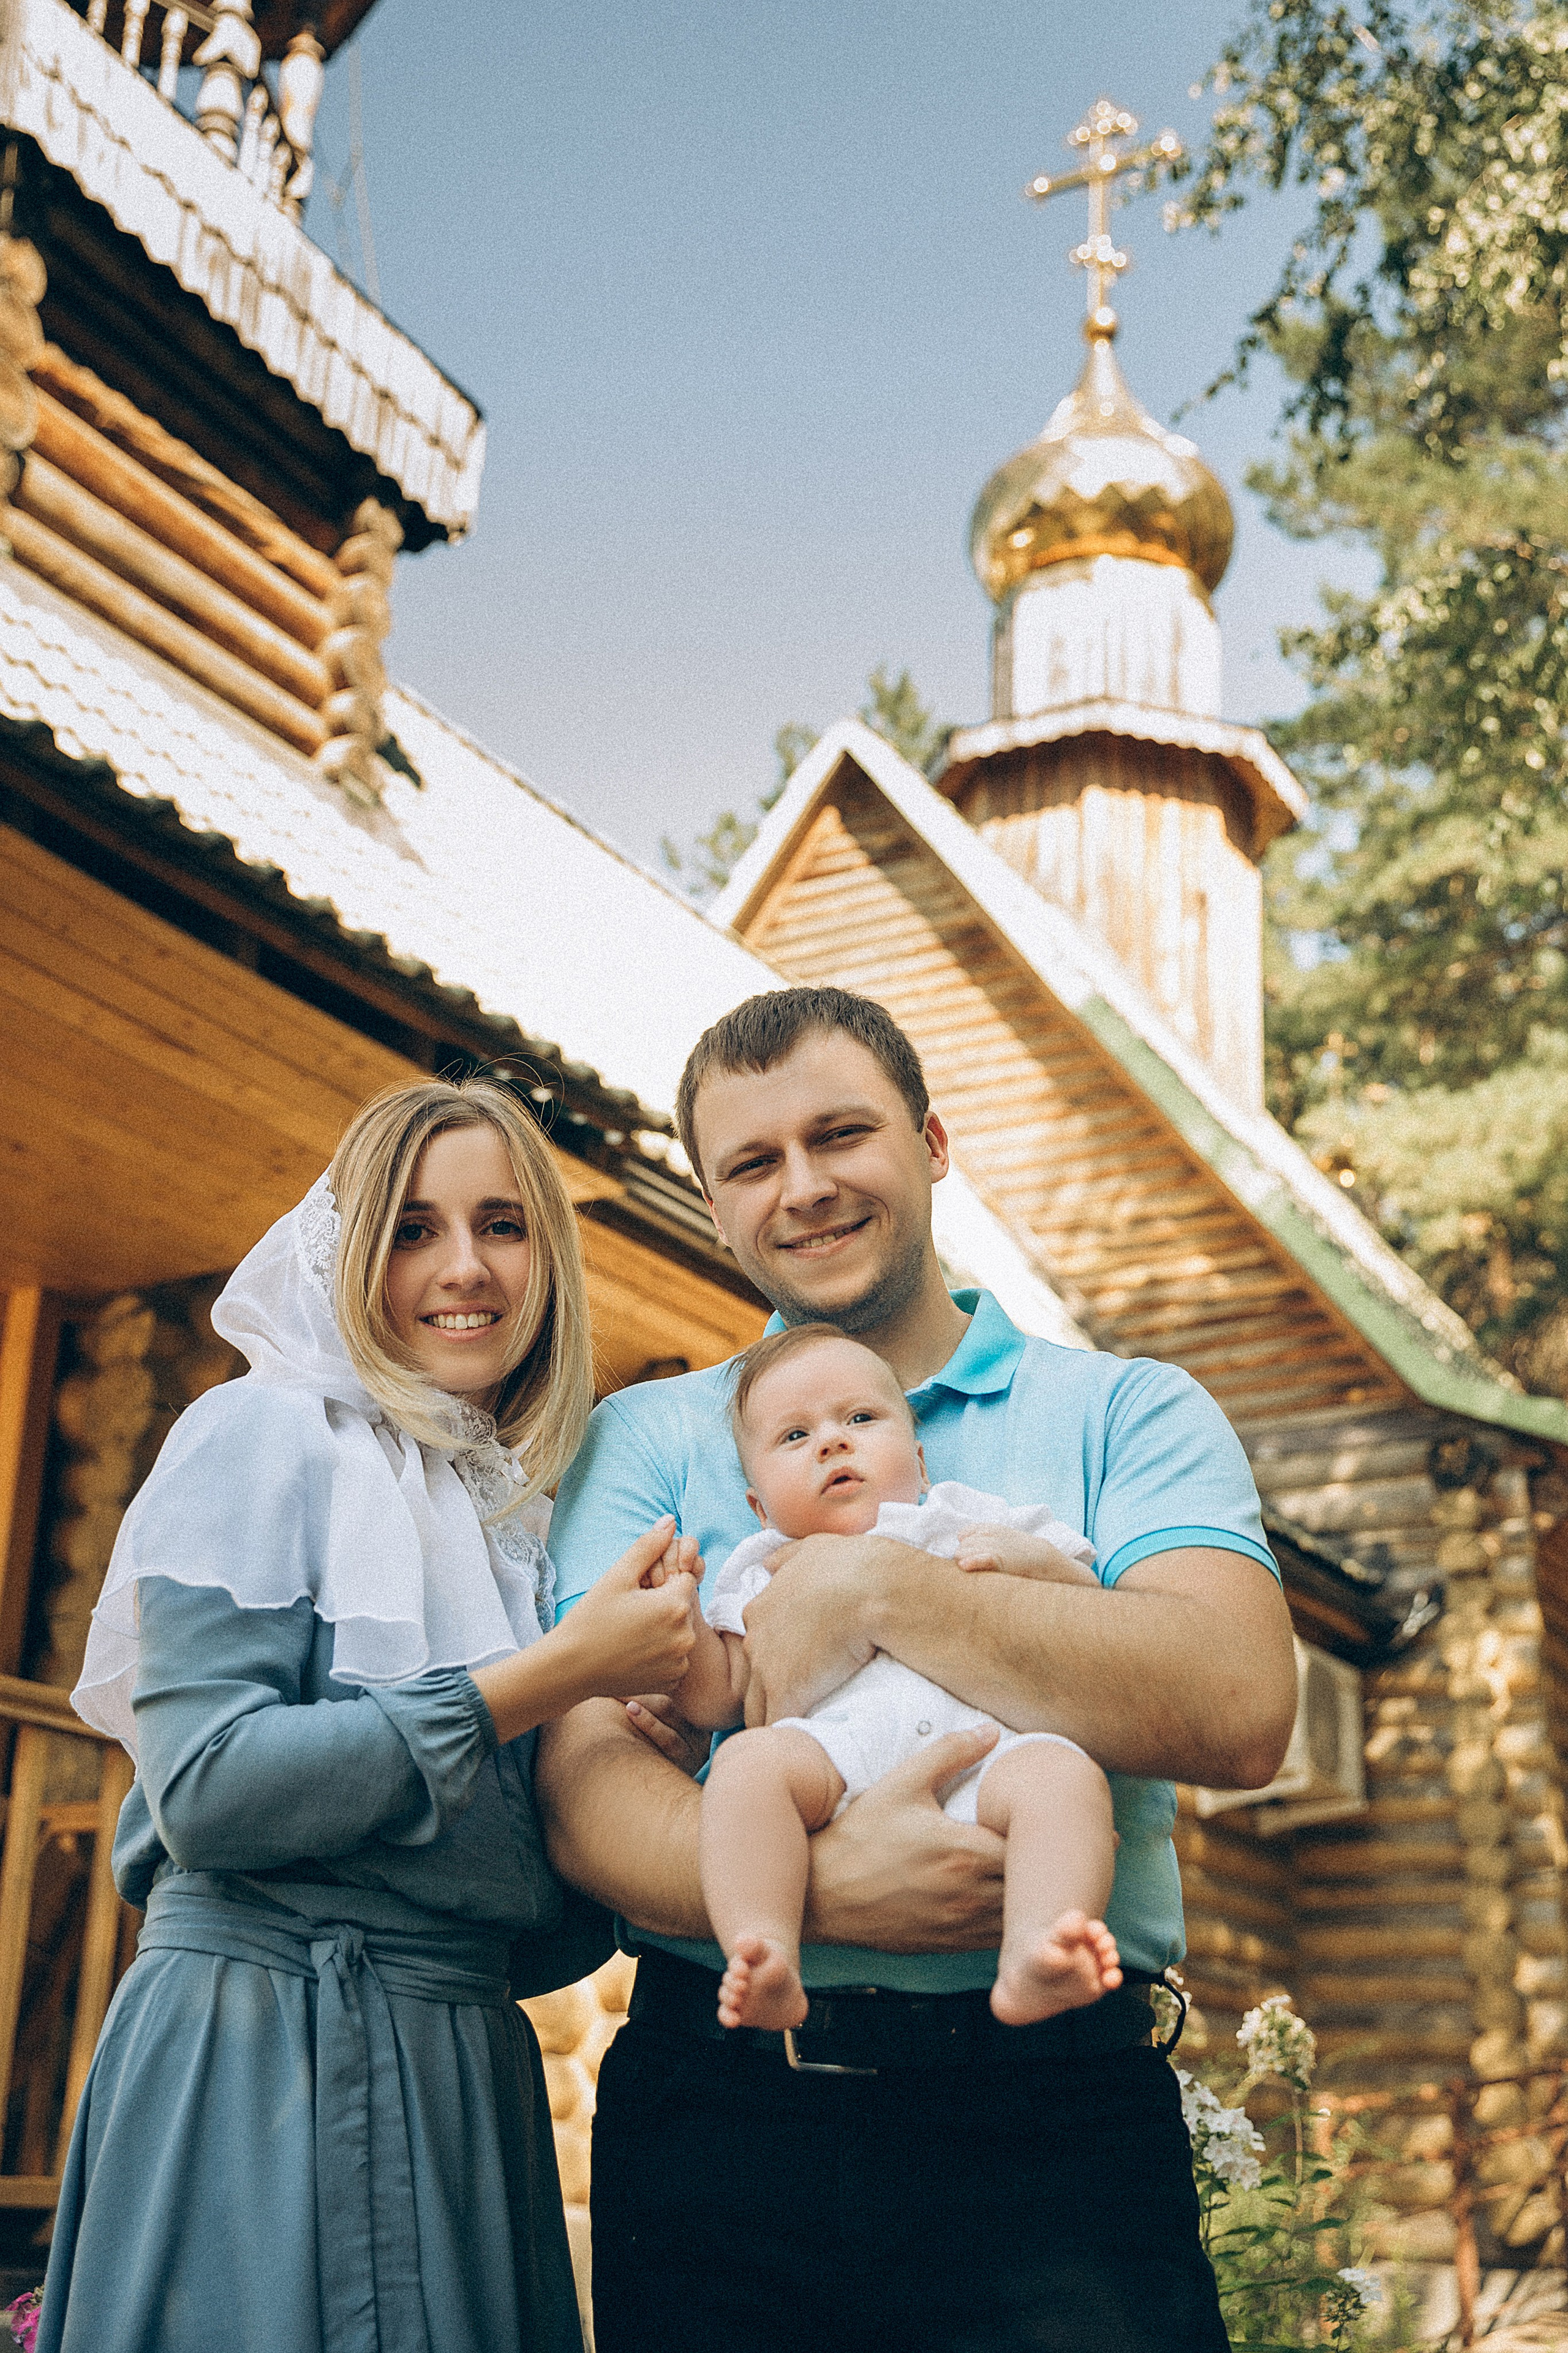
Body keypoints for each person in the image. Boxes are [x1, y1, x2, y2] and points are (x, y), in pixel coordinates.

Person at [539, 985, 1299, 2353]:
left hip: (1054, 2122)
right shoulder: (644, 1438)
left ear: (934, 1145)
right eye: (753, 1162)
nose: (804, 1187)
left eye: (841, 1135)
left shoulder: (1125, 1409)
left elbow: (1238, 1704)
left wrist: (874, 1586)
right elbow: (583, 1785)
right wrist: (834, 1889)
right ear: (712, 1205)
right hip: (723, 2120)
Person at [43, 1076, 702, 2353]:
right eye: (412, 1229)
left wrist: (618, 1764)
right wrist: (546, 1680)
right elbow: (210, 1787)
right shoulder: (260, 1434)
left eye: (503, 1226)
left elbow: (518, 1925)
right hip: (258, 2062)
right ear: (348, 1254)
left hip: (461, 2085)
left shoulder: (515, 1529)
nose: (465, 1267)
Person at [678, 1321, 1120, 2033]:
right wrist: (681, 1620)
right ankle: (764, 1951)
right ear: (759, 1505)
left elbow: (1089, 1603)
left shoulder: (964, 1516)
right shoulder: (761, 1567)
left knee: (1066, 1778)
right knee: (746, 1766)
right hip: (836, 1757)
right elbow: (720, 1694)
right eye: (795, 1436)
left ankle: (1040, 1951)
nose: (832, 1442)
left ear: (917, 1458)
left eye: (859, 1418)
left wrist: (1032, 1560)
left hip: (989, 1750)